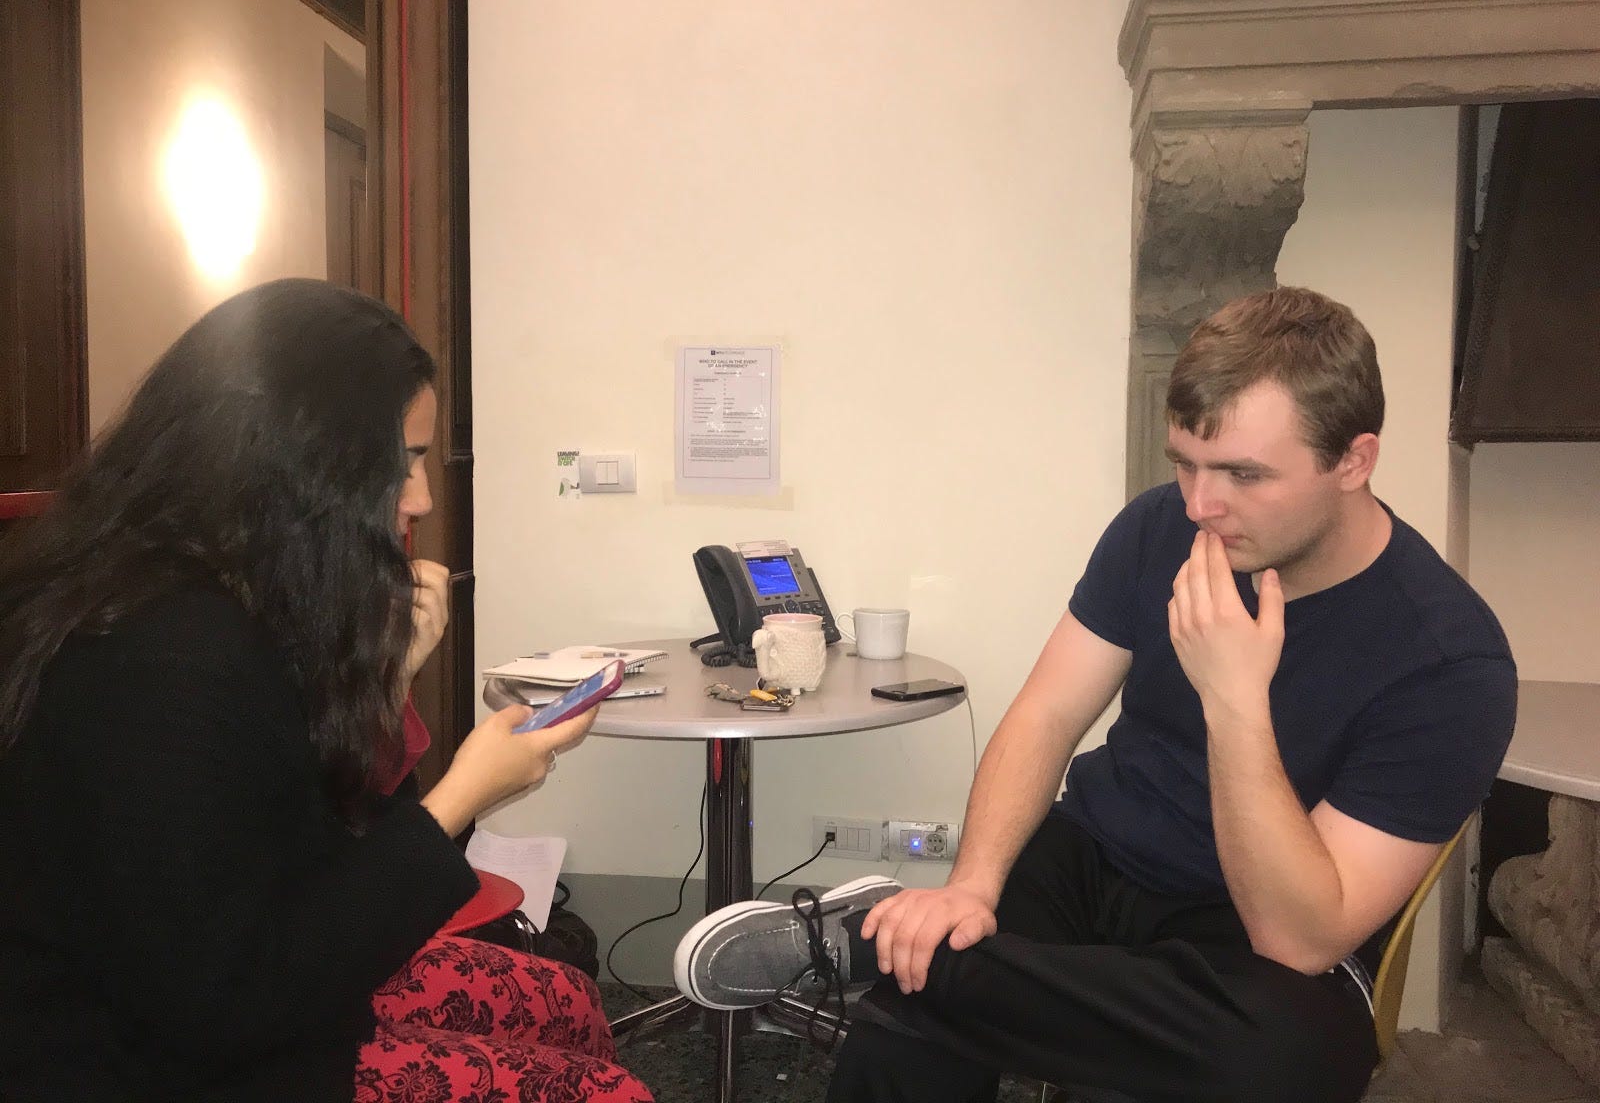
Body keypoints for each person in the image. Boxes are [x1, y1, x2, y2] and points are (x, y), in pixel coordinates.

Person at [671, 286, 1517, 1103]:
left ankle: (880, 948)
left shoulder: (1450, 663)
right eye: (1185, 464)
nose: (1201, 504)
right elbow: (1048, 713)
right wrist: (971, 886)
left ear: (1354, 461)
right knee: (903, 1038)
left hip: (1257, 930)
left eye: (1243, 474)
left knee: (1277, 1064)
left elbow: (1298, 938)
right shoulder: (1156, 528)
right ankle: (934, 964)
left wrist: (1233, 698)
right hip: (1093, 858)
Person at [0, 279, 653, 1103]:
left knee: (562, 998)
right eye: (403, 461)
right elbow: (236, 997)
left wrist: (385, 683)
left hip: (252, 992)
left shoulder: (232, 593)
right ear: (299, 463)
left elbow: (301, 838)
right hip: (155, 1061)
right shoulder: (160, 655)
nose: (421, 496)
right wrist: (460, 799)